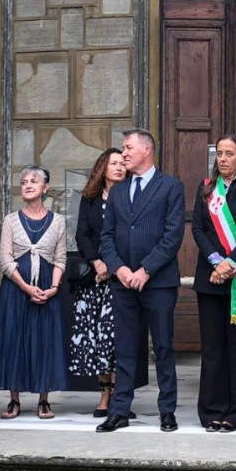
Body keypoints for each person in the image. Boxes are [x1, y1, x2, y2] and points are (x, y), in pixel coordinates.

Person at [97, 129, 186, 433]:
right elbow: (106, 236)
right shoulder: (119, 190)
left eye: (128, 148)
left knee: (163, 346)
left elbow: (173, 235)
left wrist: (145, 270)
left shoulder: (170, 186)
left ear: (147, 150)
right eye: (123, 149)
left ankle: (167, 410)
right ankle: (120, 410)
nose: (123, 154)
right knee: (125, 349)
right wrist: (119, 268)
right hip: (123, 283)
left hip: (158, 282)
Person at [0, 165, 68, 419]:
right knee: (13, 340)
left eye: (34, 181)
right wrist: (26, 286)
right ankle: (14, 400)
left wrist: (53, 288)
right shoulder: (10, 220)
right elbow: (5, 260)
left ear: (45, 188)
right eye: (24, 181)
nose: (28, 185)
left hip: (47, 290)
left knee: (45, 342)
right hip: (16, 290)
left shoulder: (58, 221)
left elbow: (60, 258)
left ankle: (44, 399)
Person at [191, 135, 236, 432]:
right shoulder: (206, 189)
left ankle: (234, 414)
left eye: (229, 153)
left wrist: (231, 262)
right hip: (210, 278)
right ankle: (211, 411)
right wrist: (215, 261)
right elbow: (198, 228)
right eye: (219, 153)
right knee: (212, 350)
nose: (222, 158)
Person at [70, 148, 126, 417]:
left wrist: (113, 266)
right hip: (95, 280)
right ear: (102, 167)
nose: (118, 167)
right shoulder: (90, 198)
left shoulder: (129, 195)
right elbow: (82, 234)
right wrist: (97, 262)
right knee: (98, 340)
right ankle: (104, 393)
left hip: (120, 278)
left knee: (117, 339)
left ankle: (120, 394)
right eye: (113, 163)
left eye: (122, 163)